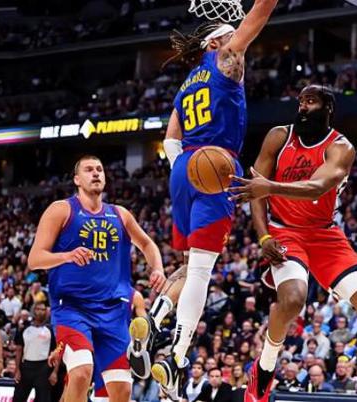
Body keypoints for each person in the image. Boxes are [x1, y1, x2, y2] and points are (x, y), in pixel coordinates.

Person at [229, 85, 357, 402]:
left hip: (325, 234)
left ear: (328, 108)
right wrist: (264, 236)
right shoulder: (279, 137)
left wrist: (269, 187)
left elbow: (316, 187)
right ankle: (265, 368)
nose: (302, 107)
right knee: (293, 299)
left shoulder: (341, 147)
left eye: (310, 102)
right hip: (284, 230)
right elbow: (256, 192)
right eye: (300, 101)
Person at [151, 0, 279, 393]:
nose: (238, 39)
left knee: (190, 265)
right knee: (202, 270)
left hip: (183, 169)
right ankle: (177, 355)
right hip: (216, 165)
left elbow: (170, 140)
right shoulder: (226, 56)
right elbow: (261, 11)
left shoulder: (187, 83)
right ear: (216, 42)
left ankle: (156, 317)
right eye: (231, 35)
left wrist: (183, 168)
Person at [28, 155, 167, 402]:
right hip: (73, 308)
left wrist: (157, 268)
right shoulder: (61, 209)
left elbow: (147, 244)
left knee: (122, 392)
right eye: (89, 169)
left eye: (100, 169)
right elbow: (35, 259)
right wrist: (67, 255)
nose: (96, 173)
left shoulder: (120, 214)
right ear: (76, 179)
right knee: (82, 372)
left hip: (113, 311)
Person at [13, 303, 58, 402]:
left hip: (43, 368)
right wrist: (17, 369)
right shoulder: (24, 328)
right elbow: (19, 350)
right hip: (26, 366)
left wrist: (54, 372)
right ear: (33, 311)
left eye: (43, 309)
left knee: (43, 399)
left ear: (46, 312)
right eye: (38, 309)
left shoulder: (50, 330)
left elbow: (56, 352)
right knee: (18, 398)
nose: (40, 312)